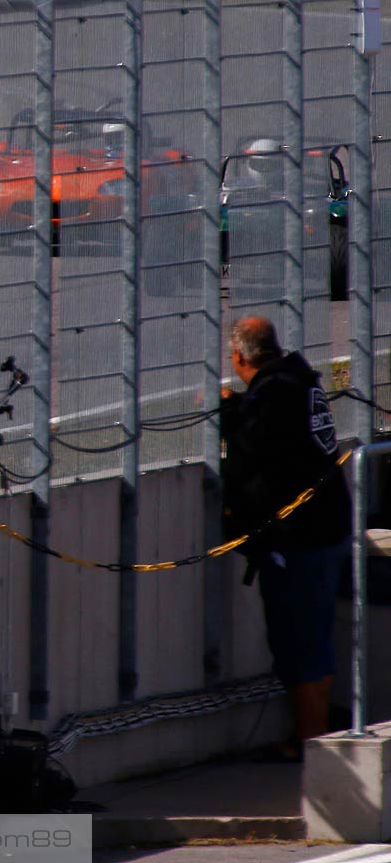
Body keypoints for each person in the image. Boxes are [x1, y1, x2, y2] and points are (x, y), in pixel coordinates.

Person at [220, 317, 350, 760]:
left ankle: (313, 746)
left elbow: (257, 456)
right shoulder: (298, 381)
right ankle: (309, 738)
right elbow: (285, 439)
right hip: (327, 527)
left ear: (240, 357)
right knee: (308, 638)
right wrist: (241, 407)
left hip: (300, 538)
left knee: (301, 641)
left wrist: (232, 417)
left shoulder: (273, 394)